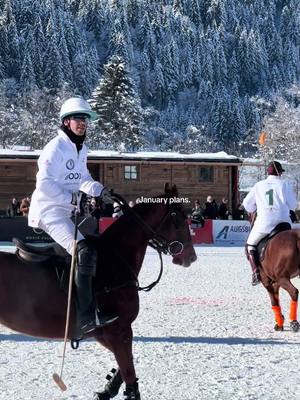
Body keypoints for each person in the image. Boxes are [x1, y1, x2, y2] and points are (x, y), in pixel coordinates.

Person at [28, 97, 118, 337]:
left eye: (86, 119)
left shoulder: (81, 149)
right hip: (49, 211)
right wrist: (71, 200)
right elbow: (44, 184)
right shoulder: (55, 148)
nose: (83, 123)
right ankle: (86, 317)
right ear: (66, 122)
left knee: (95, 248)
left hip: (67, 211)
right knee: (84, 251)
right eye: (79, 118)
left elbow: (83, 179)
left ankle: (92, 305)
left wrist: (100, 190)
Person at [242, 161, 297, 286]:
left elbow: (247, 204)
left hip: (264, 224)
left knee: (250, 245)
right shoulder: (284, 184)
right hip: (283, 223)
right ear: (280, 173)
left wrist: (253, 209)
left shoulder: (258, 185)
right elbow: (293, 205)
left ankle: (256, 272)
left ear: (268, 172)